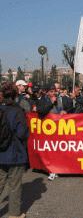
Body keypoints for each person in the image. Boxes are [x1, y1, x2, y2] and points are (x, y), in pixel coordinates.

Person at [0, 82, 29, 218]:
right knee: (14, 185)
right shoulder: (17, 111)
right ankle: (14, 214)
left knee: (0, 182)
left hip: (1, 152)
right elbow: (22, 133)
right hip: (15, 153)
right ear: (15, 94)